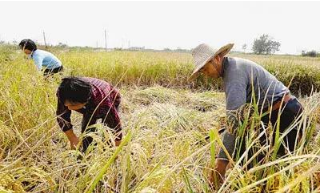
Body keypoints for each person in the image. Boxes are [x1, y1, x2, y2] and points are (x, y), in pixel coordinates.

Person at [189, 43, 304, 186]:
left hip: (285, 115)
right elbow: (239, 115)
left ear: (217, 58)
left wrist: (220, 166)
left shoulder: (234, 74)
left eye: (205, 68)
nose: (205, 74)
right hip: (270, 114)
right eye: (202, 72)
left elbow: (234, 121)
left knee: (283, 167)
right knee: (250, 154)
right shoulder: (231, 69)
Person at [56, 77, 122, 152]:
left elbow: (114, 123)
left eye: (73, 105)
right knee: (87, 130)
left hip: (111, 97)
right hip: (89, 99)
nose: (69, 108)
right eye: (66, 105)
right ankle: (86, 152)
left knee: (108, 132)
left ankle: (107, 151)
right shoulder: (63, 92)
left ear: (86, 101)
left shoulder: (103, 101)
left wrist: (116, 144)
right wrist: (72, 138)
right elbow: (62, 116)